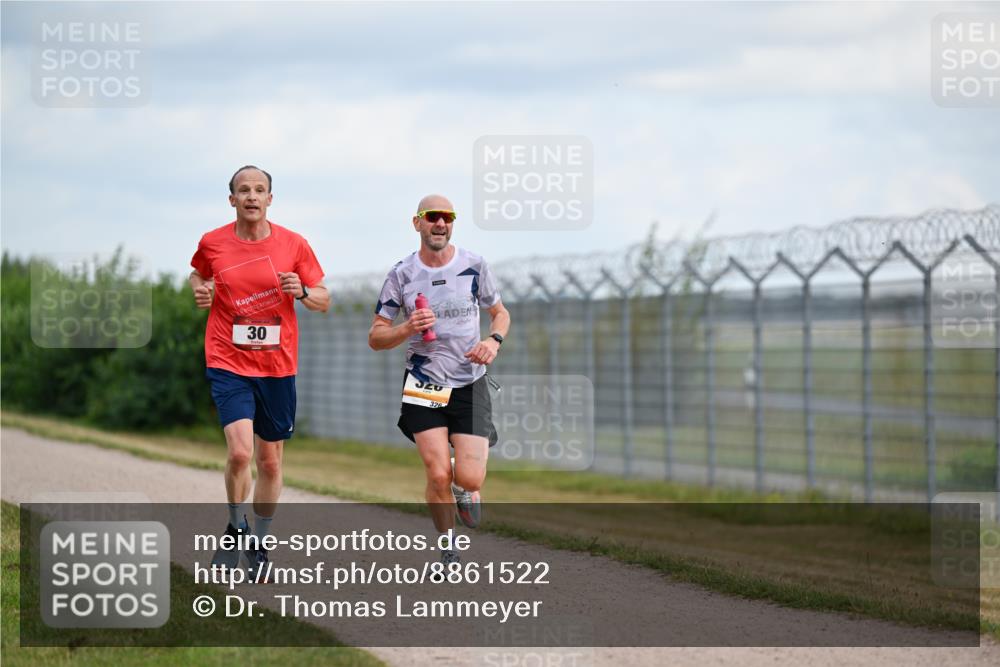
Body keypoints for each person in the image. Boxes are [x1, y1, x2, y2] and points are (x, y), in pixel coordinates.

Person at [190, 165, 329, 578]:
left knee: (269, 463)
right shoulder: (213, 242)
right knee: (240, 452)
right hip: (227, 358)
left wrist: (302, 291)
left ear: (270, 199)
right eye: (243, 190)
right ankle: (235, 527)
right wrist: (200, 289)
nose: (252, 196)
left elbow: (323, 297)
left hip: (277, 365)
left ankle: (261, 543)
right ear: (232, 199)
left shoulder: (293, 244)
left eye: (260, 190)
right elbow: (198, 273)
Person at [369, 194, 510, 569]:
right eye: (432, 217)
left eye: (447, 217)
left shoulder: (475, 265)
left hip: (470, 381)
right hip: (424, 380)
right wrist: (407, 327)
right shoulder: (401, 274)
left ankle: (467, 487)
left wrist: (492, 342)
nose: (440, 224)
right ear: (417, 223)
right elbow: (376, 337)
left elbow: (500, 314)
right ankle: (448, 551)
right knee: (436, 471)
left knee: (469, 476)